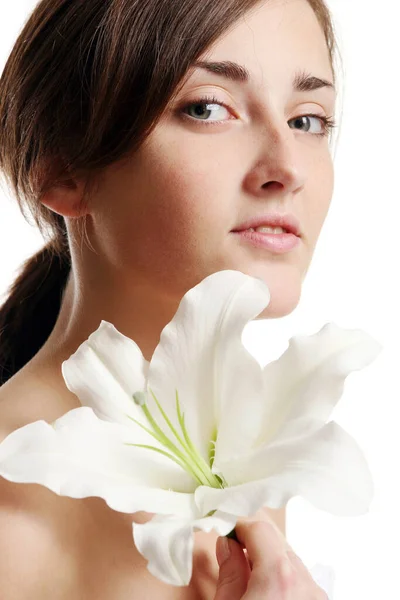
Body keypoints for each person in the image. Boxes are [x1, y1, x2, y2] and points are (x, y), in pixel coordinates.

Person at [0, 0, 339, 597]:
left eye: (307, 120)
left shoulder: (244, 463)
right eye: (208, 108)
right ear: (62, 170)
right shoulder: (15, 505)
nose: (288, 167)